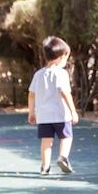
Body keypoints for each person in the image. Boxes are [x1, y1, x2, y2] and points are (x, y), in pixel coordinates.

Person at [28, 36, 79, 175]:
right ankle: (63, 157)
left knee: (46, 141)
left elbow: (31, 94)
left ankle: (45, 167)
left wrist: (31, 111)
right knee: (66, 137)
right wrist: (73, 111)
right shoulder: (61, 73)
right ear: (61, 57)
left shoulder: (38, 74)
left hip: (43, 115)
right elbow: (65, 93)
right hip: (61, 114)